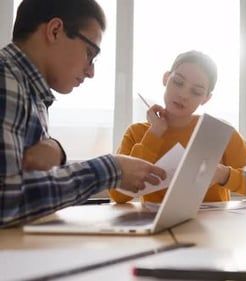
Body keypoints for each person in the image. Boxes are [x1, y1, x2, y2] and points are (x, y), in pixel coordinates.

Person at [0, 0, 166, 228]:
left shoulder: (29, 90)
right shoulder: (6, 80)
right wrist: (110, 169)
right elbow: (6, 202)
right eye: (90, 52)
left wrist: (56, 150)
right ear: (55, 31)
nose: (91, 71)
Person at [109, 50, 246, 204]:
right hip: (157, 225)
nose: (183, 95)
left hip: (211, 225)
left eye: (196, 92)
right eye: (178, 82)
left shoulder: (218, 132)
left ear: (205, 99)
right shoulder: (137, 133)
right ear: (166, 78)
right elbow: (118, 196)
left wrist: (223, 174)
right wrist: (155, 133)